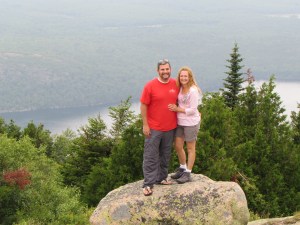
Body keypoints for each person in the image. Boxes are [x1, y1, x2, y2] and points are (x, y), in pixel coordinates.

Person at [140, 59, 179, 196]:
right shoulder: (150, 86)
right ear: (158, 71)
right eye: (162, 69)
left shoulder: (175, 83)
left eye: (167, 69)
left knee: (165, 155)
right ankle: (148, 184)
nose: (165, 72)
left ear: (170, 69)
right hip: (154, 128)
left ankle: (162, 178)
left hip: (170, 127)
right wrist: (145, 124)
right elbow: (143, 105)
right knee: (151, 156)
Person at [168, 66, 202, 184]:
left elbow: (193, 110)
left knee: (191, 148)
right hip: (180, 122)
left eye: (185, 76)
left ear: (190, 77)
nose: (183, 78)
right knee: (177, 145)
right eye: (181, 76)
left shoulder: (193, 91)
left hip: (191, 123)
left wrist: (177, 109)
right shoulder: (180, 88)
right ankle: (182, 167)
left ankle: (188, 172)